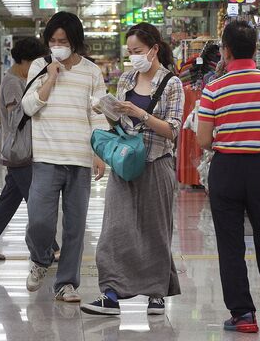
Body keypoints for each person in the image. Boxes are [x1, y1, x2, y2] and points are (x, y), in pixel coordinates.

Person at [196, 21, 260, 333]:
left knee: (230, 244)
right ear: (255, 49)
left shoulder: (213, 89)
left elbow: (202, 140)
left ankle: (242, 314)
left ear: (224, 52)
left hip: (226, 168)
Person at [80, 23, 185, 316]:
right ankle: (111, 294)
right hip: (125, 163)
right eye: (130, 52)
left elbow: (172, 131)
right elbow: (122, 126)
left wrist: (141, 113)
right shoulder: (126, 78)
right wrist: (108, 111)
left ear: (154, 49)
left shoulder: (172, 84)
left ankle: (156, 294)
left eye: (138, 51)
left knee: (155, 231)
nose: (133, 57)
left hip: (157, 164)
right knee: (115, 230)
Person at [22, 11, 107, 302]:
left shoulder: (92, 72)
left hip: (80, 159)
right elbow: (28, 107)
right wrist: (49, 79)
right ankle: (40, 258)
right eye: (53, 41)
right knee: (39, 221)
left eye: (64, 41)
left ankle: (66, 283)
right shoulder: (38, 65)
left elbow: (98, 117)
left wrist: (99, 153)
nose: (57, 45)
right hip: (46, 157)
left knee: (75, 226)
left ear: (75, 42)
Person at [0, 37, 61, 260]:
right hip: (20, 151)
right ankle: (52, 247)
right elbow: (16, 117)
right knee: (38, 201)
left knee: (10, 199)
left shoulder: (25, 78)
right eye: (33, 63)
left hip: (24, 151)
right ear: (22, 61)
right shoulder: (13, 82)